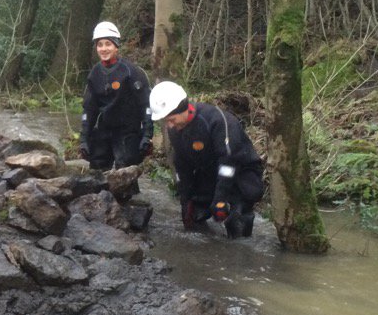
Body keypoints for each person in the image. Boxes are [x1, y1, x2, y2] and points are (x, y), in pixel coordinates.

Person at [149, 80, 264, 238]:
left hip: (240, 173)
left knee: (236, 223)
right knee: (194, 216)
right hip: (209, 172)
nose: (169, 126)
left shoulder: (218, 121)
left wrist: (220, 200)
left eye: (172, 120)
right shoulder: (175, 129)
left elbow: (228, 164)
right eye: (166, 121)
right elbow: (182, 166)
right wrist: (186, 200)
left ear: (183, 108)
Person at [79, 21, 154, 170]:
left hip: (127, 131)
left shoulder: (131, 72)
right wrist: (84, 139)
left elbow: (145, 105)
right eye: (100, 45)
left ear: (116, 46)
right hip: (104, 129)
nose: (104, 49)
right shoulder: (94, 74)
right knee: (97, 172)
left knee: (126, 172)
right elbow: (89, 109)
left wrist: (147, 135)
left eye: (108, 44)